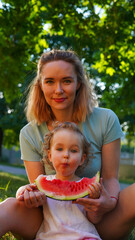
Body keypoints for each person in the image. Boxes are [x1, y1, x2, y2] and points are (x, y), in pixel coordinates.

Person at [0, 49, 135, 240]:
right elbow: (38, 187)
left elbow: (111, 178)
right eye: (50, 82)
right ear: (40, 85)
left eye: (66, 81)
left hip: (98, 220)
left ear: (79, 84)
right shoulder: (29, 133)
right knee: (7, 206)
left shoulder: (106, 119)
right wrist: (28, 195)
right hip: (49, 223)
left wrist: (109, 203)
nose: (58, 90)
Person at [28, 121, 102, 240]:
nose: (66, 155)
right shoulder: (42, 182)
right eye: (60, 149)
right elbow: (23, 195)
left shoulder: (89, 188)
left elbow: (95, 219)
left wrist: (94, 201)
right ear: (50, 155)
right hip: (51, 237)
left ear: (82, 159)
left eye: (73, 151)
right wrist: (24, 190)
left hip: (83, 236)